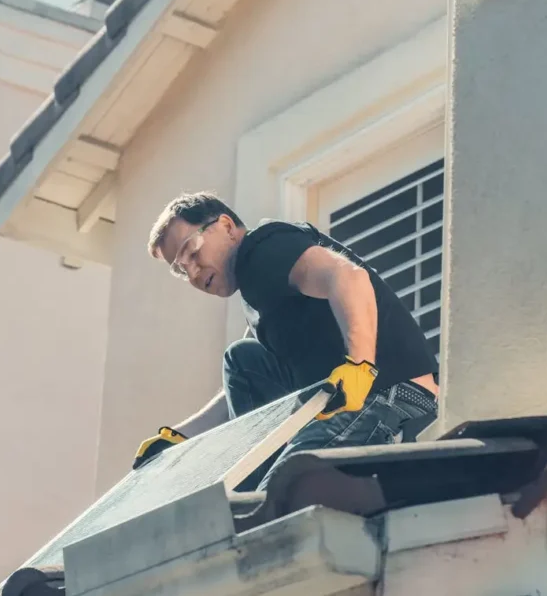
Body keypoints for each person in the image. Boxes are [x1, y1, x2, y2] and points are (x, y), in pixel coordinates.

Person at [133, 191, 439, 486]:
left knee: (277, 498)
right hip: (350, 403)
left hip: (394, 396)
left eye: (192, 253)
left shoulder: (264, 248)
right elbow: (237, 391)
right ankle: (257, 479)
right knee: (242, 360)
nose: (194, 273)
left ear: (226, 226)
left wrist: (360, 366)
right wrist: (181, 436)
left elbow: (348, 277)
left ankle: (265, 487)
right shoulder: (258, 296)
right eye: (181, 270)